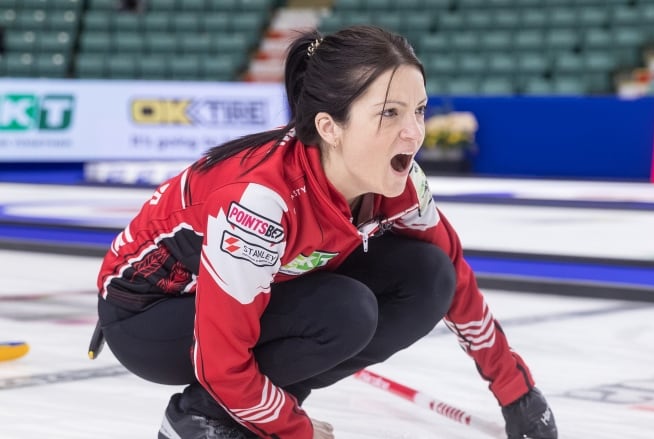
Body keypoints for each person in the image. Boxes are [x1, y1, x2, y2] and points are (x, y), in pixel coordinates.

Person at [91, 25, 557, 439]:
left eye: (419, 110)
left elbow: (453, 279)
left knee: (429, 276)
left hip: (246, 297)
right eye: (389, 114)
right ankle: (201, 418)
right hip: (149, 315)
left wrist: (517, 392)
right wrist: (293, 430)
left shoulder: (401, 182)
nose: (415, 132)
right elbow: (221, 360)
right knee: (343, 310)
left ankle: (246, 413)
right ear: (330, 127)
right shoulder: (261, 202)